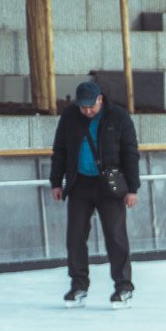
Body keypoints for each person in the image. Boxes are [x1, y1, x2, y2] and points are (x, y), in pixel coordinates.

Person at [49, 80, 141, 309]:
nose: (87, 111)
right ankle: (78, 285)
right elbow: (59, 149)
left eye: (90, 106)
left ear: (100, 99)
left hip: (109, 187)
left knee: (116, 237)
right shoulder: (70, 116)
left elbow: (130, 152)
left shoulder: (118, 117)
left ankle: (123, 286)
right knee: (75, 237)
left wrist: (132, 188)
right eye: (83, 107)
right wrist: (56, 182)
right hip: (79, 184)